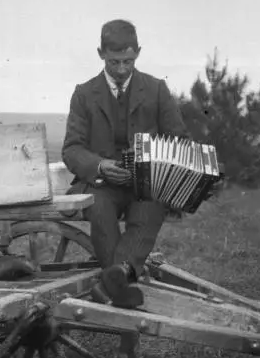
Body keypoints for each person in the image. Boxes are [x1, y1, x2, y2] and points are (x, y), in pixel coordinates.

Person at [61, 19, 188, 309]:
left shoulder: (156, 90)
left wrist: (152, 161)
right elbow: (72, 148)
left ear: (138, 53)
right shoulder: (84, 93)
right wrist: (101, 165)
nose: (121, 69)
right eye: (114, 61)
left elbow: (179, 140)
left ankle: (112, 282)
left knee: (152, 206)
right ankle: (122, 281)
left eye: (128, 61)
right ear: (100, 53)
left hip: (144, 185)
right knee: (100, 208)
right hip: (101, 185)